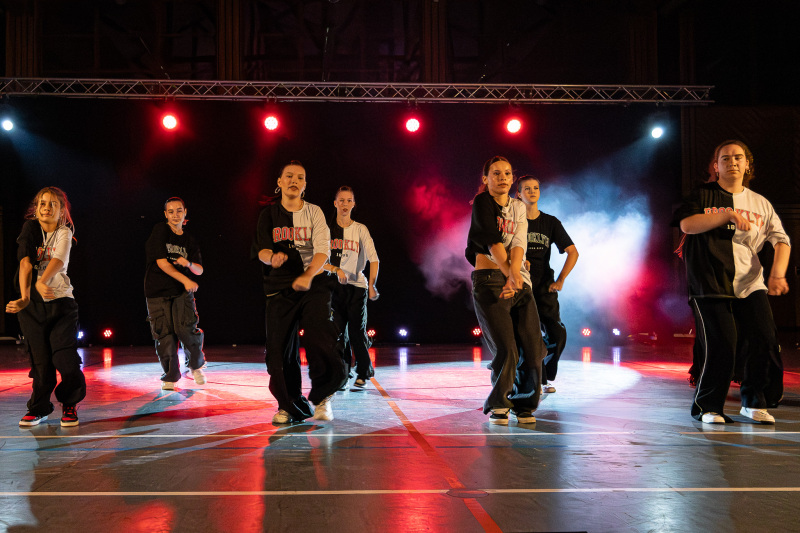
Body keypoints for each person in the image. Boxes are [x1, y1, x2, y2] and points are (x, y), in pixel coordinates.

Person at [673, 140, 790, 424]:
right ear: (716, 166)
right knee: (723, 344)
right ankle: (708, 407)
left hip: (751, 283)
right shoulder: (702, 195)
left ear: (747, 164)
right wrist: (727, 214)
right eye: (725, 158)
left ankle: (754, 402)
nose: (732, 162)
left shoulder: (760, 203)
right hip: (710, 282)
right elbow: (687, 225)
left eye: (738, 157)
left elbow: (781, 240)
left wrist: (777, 274)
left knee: (764, 340)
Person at [254, 161, 347, 424]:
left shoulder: (314, 212)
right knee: (278, 350)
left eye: (300, 177)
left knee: (320, 335)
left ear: (305, 185)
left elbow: (323, 251)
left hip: (314, 282)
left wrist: (307, 275)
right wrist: (271, 258)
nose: (294, 180)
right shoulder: (268, 215)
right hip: (279, 286)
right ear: (280, 182)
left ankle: (323, 396)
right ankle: (289, 405)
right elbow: (261, 250)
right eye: (289, 176)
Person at [465, 156, 545, 425]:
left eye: (507, 173)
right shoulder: (482, 202)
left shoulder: (519, 207)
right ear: (485, 179)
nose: (502, 178)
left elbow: (519, 241)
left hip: (519, 281)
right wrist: (510, 273)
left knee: (533, 348)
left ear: (512, 179)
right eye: (496, 173)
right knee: (507, 348)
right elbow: (492, 240)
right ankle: (500, 403)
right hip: (490, 279)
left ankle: (525, 403)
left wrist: (516, 275)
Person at [6, 187, 86, 427]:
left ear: (62, 210)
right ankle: (39, 407)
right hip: (32, 306)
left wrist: (43, 281)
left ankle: (69, 402)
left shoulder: (64, 232)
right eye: (42, 203)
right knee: (41, 364)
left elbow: (59, 259)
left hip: (61, 303)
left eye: (53, 204)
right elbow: (25, 263)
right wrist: (25, 297)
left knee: (65, 360)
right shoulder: (30, 229)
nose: (46, 208)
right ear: (36, 208)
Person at [517, 176, 579, 393]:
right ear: (519, 194)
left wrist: (560, 280)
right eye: (527, 188)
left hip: (545, 286)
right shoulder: (514, 221)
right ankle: (536, 380)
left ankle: (546, 374)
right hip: (521, 285)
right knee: (528, 335)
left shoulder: (550, 222)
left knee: (557, 333)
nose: (532, 191)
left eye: (535, 188)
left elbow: (573, 252)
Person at [144, 197, 207, 391]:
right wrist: (185, 279)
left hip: (180, 292)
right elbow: (162, 263)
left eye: (179, 210)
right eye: (170, 211)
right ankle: (171, 375)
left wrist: (188, 264)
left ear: (185, 212)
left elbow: (199, 270)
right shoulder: (160, 230)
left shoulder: (189, 240)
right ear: (165, 214)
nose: (175, 215)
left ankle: (196, 365)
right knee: (165, 334)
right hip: (158, 290)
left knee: (187, 329)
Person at [321, 186, 380, 388]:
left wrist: (371, 285)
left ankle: (363, 371)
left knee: (356, 331)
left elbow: (374, 259)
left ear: (354, 204)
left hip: (357, 288)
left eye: (349, 200)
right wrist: (335, 269)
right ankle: (343, 374)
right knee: (337, 333)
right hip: (334, 288)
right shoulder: (327, 231)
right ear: (335, 203)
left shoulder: (360, 229)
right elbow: (319, 260)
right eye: (341, 200)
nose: (345, 204)